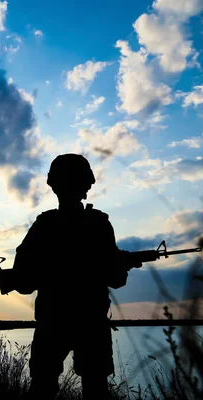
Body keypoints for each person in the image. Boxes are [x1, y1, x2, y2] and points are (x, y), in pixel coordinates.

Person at [11, 153, 142, 400]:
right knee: (95, 390)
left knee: (42, 387)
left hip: (52, 318)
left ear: (54, 185)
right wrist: (124, 265)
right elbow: (116, 280)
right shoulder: (98, 223)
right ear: (86, 185)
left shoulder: (44, 224)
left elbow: (22, 276)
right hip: (90, 320)